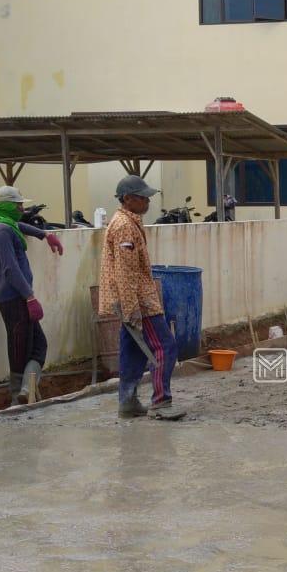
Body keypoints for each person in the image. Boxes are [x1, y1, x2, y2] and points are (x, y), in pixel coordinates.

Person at [98, 175, 178, 419]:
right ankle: (160, 402)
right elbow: (126, 272)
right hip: (139, 301)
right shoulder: (124, 226)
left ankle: (128, 402)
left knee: (131, 351)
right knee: (165, 346)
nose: (148, 202)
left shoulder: (128, 221)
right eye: (143, 198)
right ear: (128, 199)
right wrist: (133, 308)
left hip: (131, 298)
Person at [0, 186, 65, 405]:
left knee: (38, 345)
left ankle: (26, 389)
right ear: (7, 206)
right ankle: (17, 397)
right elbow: (10, 269)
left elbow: (17, 226)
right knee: (19, 348)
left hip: (17, 297)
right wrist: (29, 297)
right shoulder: (0, 231)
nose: (22, 208)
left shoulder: (4, 224)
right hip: (13, 298)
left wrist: (44, 234)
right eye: (17, 204)